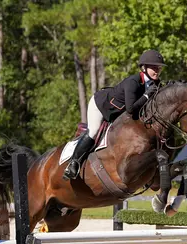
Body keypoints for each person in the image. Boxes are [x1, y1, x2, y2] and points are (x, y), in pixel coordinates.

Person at [63, 49, 167, 180]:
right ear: (144, 67)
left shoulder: (156, 83)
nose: (157, 70)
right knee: (94, 131)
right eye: (153, 67)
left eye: (159, 67)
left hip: (119, 113)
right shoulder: (133, 82)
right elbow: (131, 109)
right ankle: (73, 163)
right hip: (101, 106)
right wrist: (146, 95)